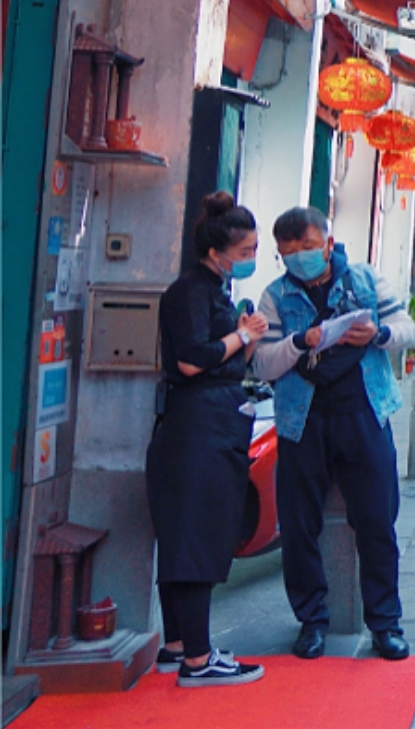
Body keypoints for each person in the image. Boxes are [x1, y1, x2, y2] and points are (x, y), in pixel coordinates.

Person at [251, 207, 415, 662]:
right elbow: (261, 363)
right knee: (300, 525)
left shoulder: (364, 281)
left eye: (307, 247)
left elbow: (408, 328)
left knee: (377, 522)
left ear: (327, 243)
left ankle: (385, 623)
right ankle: (311, 622)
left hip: (364, 413)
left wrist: (378, 333)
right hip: (301, 420)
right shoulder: (276, 294)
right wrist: (298, 342)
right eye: (288, 253)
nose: (299, 258)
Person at [147, 192, 268, 686]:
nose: (251, 259)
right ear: (218, 251)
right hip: (198, 426)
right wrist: (241, 337)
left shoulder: (210, 290)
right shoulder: (191, 291)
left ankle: (177, 645)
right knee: (196, 536)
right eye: (245, 252)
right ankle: (198, 657)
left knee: (183, 534)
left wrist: (241, 337)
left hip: (203, 422)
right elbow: (193, 359)